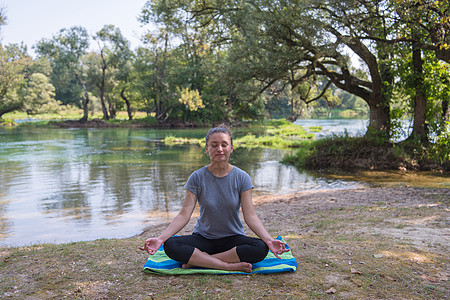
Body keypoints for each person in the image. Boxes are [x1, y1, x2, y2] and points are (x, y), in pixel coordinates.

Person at [140, 125, 290, 273]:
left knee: (261, 248)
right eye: (214, 145)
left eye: (224, 144)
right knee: (171, 245)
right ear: (206, 148)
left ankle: (199, 261)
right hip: (203, 238)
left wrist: (269, 240)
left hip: (233, 238)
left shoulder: (242, 177)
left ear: (231, 148)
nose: (219, 149)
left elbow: (250, 216)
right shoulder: (197, 177)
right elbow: (184, 215)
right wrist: (160, 239)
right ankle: (227, 265)